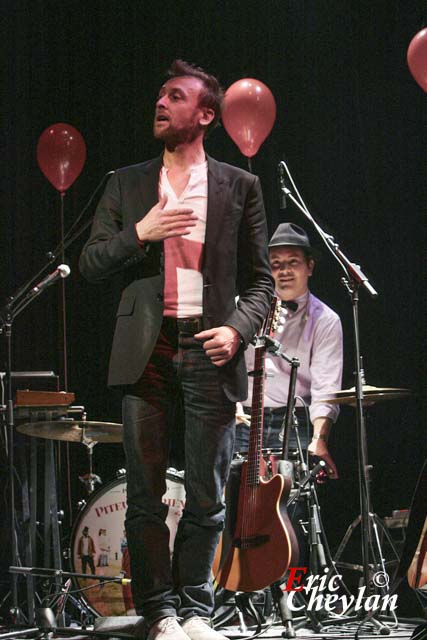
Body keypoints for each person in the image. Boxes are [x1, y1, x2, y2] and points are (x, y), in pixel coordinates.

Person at [79, 59, 274, 640]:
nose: (160, 104)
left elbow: (261, 281)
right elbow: (90, 263)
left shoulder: (241, 186)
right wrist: (141, 232)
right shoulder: (127, 182)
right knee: (144, 495)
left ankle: (196, 610)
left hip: (211, 345)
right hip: (149, 346)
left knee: (208, 493)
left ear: (206, 115)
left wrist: (238, 328)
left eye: (175, 96)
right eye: (159, 95)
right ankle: (160, 611)